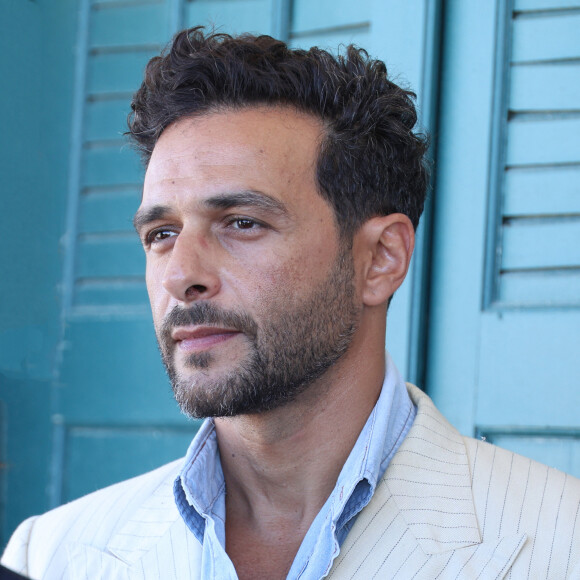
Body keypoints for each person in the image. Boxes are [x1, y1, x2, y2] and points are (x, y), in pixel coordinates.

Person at [2, 27, 580, 580]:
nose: (181, 276)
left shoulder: (561, 542)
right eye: (162, 234)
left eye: (242, 223)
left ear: (381, 258)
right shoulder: (50, 554)